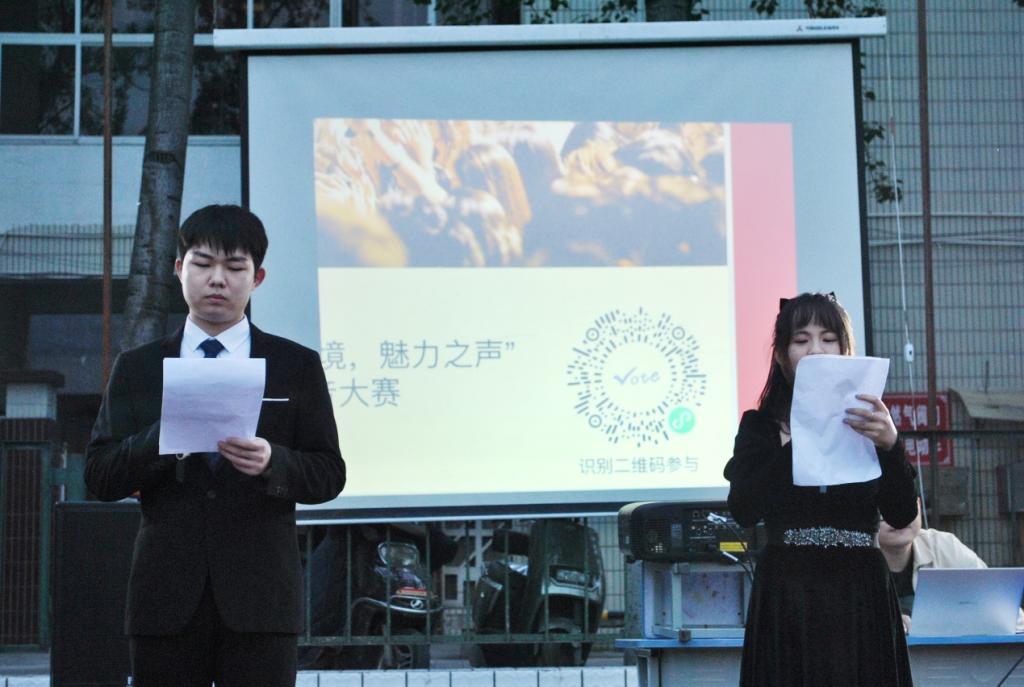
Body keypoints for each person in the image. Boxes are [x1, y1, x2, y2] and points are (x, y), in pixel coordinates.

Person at [85, 204, 346, 686]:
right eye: (203, 264)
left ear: (257, 277)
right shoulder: (139, 367)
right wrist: (160, 439)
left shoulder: (295, 365)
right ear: (179, 269)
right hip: (165, 601)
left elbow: (329, 474)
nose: (218, 280)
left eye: (235, 267)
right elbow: (100, 476)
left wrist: (273, 461)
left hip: (261, 603)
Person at [724, 292, 918, 686]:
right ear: (782, 356)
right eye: (801, 340)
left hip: (861, 592)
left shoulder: (869, 424)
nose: (815, 349)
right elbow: (743, 508)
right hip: (788, 593)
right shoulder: (761, 427)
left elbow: (901, 514)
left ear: (846, 351)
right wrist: (803, 438)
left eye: (828, 339)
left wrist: (891, 446)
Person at [879, 498, 1024, 633]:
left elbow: (1009, 617)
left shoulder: (945, 547)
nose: (898, 514)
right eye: (884, 506)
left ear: (919, 505)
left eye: (907, 503)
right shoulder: (863, 559)